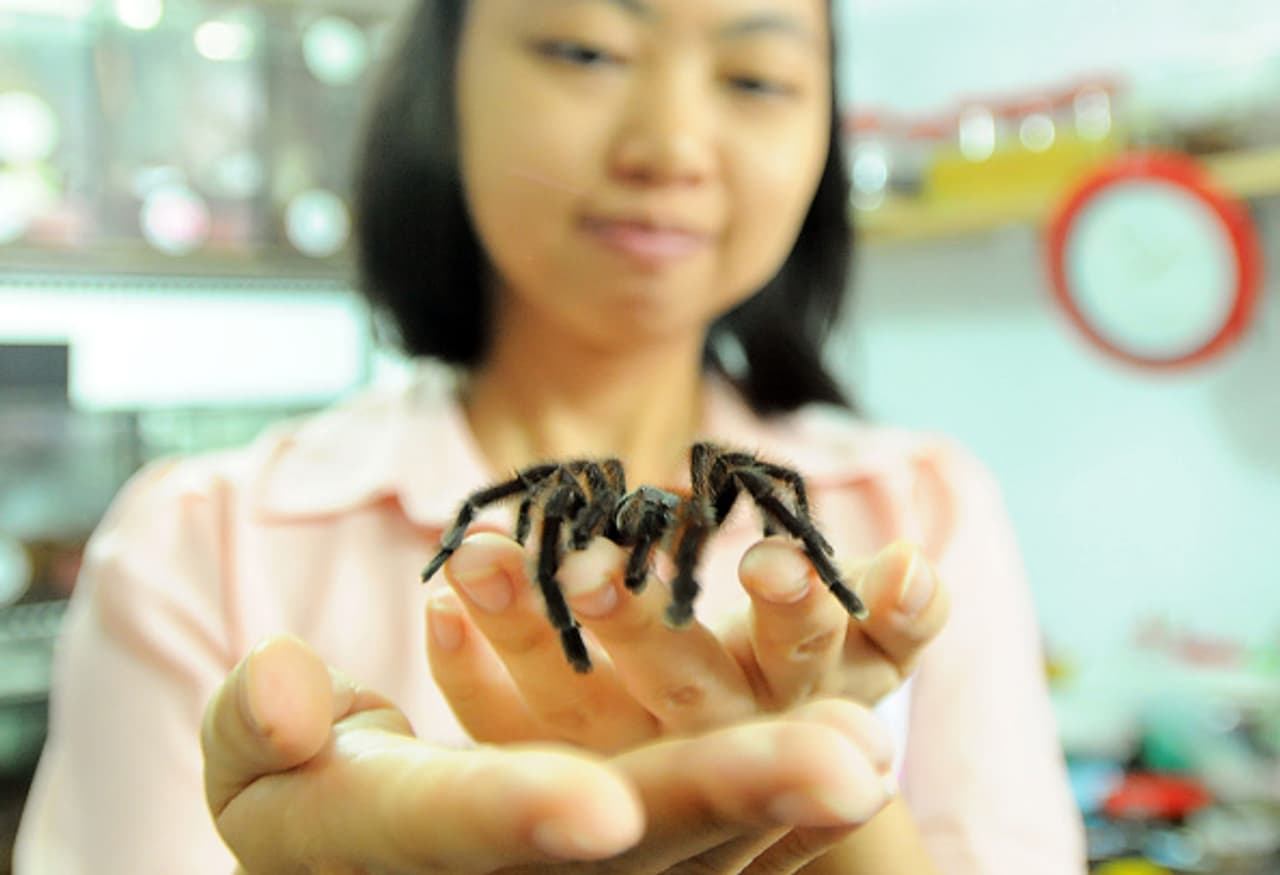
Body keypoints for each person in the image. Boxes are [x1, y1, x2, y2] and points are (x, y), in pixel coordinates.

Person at [15, 0, 1086, 872]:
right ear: (443, 82)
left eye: (756, 77)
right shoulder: (199, 540)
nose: (670, 146)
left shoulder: (924, 508)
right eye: (585, 49)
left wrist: (825, 812)